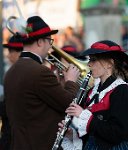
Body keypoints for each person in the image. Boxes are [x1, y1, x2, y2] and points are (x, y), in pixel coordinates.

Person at [4, 16, 80, 150]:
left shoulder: (11, 72)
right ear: (40, 42)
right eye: (49, 41)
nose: (50, 46)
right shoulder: (40, 72)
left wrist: (58, 85)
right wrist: (70, 81)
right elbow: (69, 104)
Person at [59, 40, 128, 150]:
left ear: (110, 63)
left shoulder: (121, 91)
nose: (89, 64)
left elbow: (117, 133)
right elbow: (92, 132)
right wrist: (72, 135)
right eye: (90, 60)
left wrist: (86, 116)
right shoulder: (92, 92)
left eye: (94, 60)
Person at [0, 35, 23, 150]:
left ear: (19, 53)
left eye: (11, 51)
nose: (8, 55)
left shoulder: (18, 73)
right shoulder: (14, 71)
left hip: (14, 135)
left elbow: (10, 106)